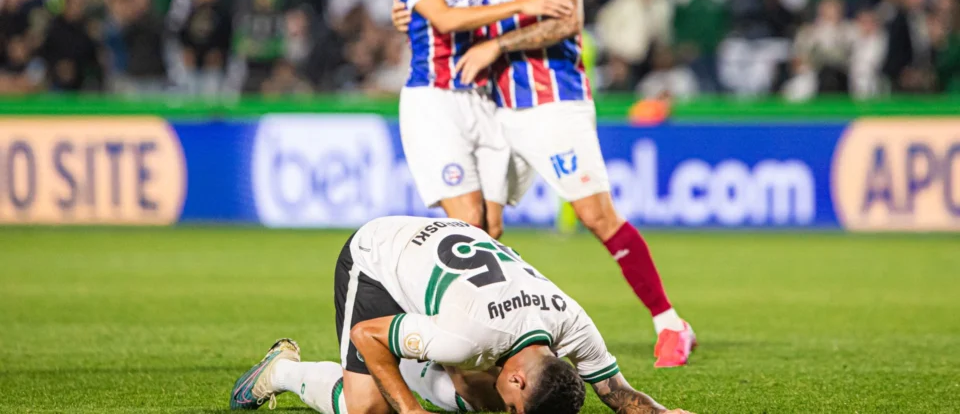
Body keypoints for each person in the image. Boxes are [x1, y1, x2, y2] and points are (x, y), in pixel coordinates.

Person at [397, 0, 696, 368]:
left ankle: (670, 324)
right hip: (491, 106)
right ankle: (490, 342)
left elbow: (567, 21)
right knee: (482, 231)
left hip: (551, 101)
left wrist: (499, 42)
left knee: (597, 216)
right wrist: (407, 10)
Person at [230, 216, 694, 414]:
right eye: (517, 407)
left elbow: (617, 394)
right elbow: (366, 335)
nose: (510, 410)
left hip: (448, 273)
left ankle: (421, 366)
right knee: (369, 407)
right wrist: (410, 410)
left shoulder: (573, 323)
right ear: (520, 380)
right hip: (379, 256)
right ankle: (284, 372)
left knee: (481, 395)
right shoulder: (466, 338)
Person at [389, 0, 571, 239]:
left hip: (483, 95)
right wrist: (523, 4)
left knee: (492, 228)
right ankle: (418, 285)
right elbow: (445, 18)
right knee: (470, 222)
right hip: (434, 100)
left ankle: (476, 294)